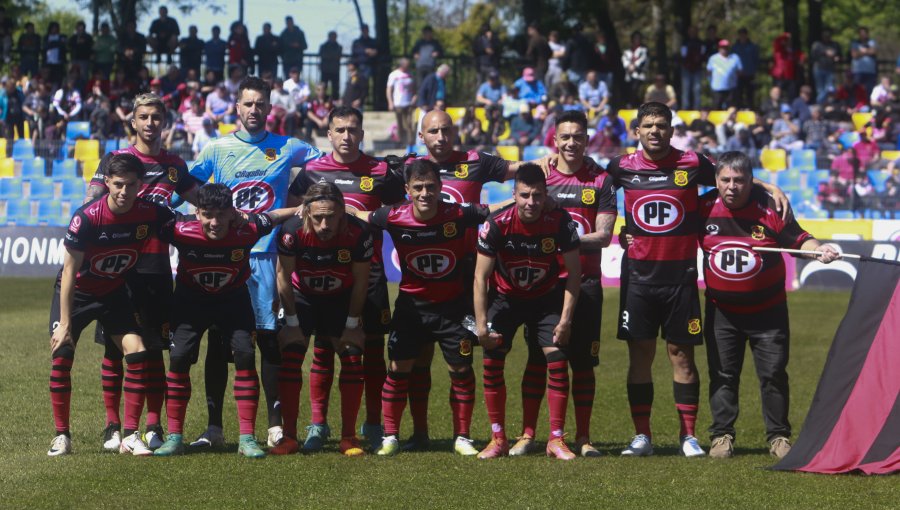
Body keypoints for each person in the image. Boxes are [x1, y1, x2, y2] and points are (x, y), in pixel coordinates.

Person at [604, 102, 788, 458]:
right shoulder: (621, 167)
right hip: (639, 279)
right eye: (648, 125)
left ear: (671, 131)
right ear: (636, 131)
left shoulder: (691, 163)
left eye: (661, 125)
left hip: (681, 278)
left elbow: (729, 174)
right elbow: (592, 187)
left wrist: (767, 185)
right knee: (639, 356)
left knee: (682, 356)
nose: (654, 131)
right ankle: (642, 436)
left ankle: (688, 436)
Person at [190, 76, 321, 450]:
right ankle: (214, 427)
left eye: (260, 103)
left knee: (268, 340)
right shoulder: (217, 148)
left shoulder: (288, 146)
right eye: (247, 104)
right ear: (237, 107)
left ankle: (275, 424)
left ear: (269, 107)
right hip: (226, 256)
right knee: (219, 341)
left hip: (268, 257)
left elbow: (327, 165)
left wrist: (302, 204)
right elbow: (189, 186)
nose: (254, 110)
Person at [348, 160, 501, 456]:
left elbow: (494, 210)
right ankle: (391, 435)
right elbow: (361, 214)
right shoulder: (393, 216)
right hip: (411, 308)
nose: (424, 193)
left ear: (441, 189)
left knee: (460, 369)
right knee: (398, 369)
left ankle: (463, 436)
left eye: (431, 187)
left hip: (453, 308)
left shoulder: (457, 214)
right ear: (407, 190)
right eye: (418, 187)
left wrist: (530, 198)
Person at [699, 151, 839, 459]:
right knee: (722, 374)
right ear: (716, 181)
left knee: (774, 374)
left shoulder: (771, 208)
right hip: (722, 312)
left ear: (751, 182)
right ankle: (721, 435)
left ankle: (779, 437)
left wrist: (820, 249)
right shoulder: (703, 207)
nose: (732, 187)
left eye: (739, 180)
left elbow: (800, 240)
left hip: (768, 312)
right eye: (725, 180)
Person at [84, 93, 203, 451]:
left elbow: (204, 202)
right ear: (133, 122)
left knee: (153, 348)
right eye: (144, 117)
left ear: (164, 122)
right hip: (117, 269)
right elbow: (91, 203)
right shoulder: (116, 160)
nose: (150, 123)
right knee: (113, 349)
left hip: (155, 268)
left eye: (156, 117)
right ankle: (113, 425)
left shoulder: (175, 167)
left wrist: (231, 211)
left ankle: (152, 426)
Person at [149, 183, 299, 458]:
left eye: (221, 214)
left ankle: (246, 439)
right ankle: (174, 437)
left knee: (244, 355)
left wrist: (300, 209)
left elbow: (275, 215)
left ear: (233, 212)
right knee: (179, 358)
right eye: (207, 214)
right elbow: (150, 213)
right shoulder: (178, 229)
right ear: (197, 213)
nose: (215, 222)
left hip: (233, 301)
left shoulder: (249, 228)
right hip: (189, 302)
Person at [288, 105, 405, 452]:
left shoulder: (381, 171)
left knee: (370, 349)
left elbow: (399, 214)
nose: (346, 136)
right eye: (340, 130)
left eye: (353, 130)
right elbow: (296, 211)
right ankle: (318, 424)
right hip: (324, 270)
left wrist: (365, 217)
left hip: (367, 272)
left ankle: (372, 423)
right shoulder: (311, 172)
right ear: (329, 134)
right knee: (323, 348)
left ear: (362, 134)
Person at [47, 152, 176, 456]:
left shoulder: (150, 213)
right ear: (106, 183)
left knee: (139, 350)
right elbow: (68, 272)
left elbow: (186, 223)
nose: (123, 192)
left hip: (113, 292)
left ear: (139, 185)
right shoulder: (87, 217)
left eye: (131, 185)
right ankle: (62, 436)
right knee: (62, 353)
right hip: (77, 294)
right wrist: (65, 323)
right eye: (117, 184)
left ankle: (130, 435)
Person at [508, 111, 616, 458]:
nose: (571, 143)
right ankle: (528, 434)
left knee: (583, 363)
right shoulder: (542, 174)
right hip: (545, 285)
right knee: (538, 360)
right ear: (555, 139)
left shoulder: (600, 180)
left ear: (587, 139)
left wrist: (562, 239)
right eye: (565, 137)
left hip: (585, 283)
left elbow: (602, 237)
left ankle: (583, 437)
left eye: (578, 137)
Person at [473, 164, 582, 460]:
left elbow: (574, 274)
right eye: (524, 195)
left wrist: (566, 320)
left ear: (546, 195)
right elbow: (480, 277)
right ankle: (498, 439)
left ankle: (556, 440)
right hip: (505, 299)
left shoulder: (559, 221)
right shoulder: (497, 223)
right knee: (493, 359)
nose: (531, 202)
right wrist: (481, 326)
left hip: (545, 298)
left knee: (557, 357)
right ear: (514, 194)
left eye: (537, 195)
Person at [272, 183, 373, 456]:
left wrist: (352, 325)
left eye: (331, 216)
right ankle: (290, 437)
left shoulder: (359, 232)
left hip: (340, 297)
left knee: (352, 355)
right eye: (318, 218)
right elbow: (282, 277)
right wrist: (292, 323)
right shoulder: (291, 232)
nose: (325, 224)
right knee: (291, 353)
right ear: (306, 213)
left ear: (343, 212)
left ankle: (348, 438)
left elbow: (362, 282)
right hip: (303, 298)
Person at [387, 58, 416, 148]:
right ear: (401, 65)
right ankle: (401, 141)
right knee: (400, 124)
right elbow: (389, 89)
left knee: (409, 123)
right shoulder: (394, 75)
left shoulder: (411, 74)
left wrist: (415, 97)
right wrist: (390, 102)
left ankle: (410, 142)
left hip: (409, 102)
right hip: (398, 102)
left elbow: (415, 87)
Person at [707, 40, 742, 109]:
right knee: (716, 107)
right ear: (719, 48)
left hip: (731, 88)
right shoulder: (713, 58)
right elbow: (709, 72)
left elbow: (739, 71)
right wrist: (710, 82)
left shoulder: (735, 58)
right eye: (722, 47)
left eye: (726, 47)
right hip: (717, 88)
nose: (724, 49)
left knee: (731, 108)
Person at [811, 28, 842, 104]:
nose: (826, 37)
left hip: (830, 70)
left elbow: (840, 55)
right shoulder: (817, 45)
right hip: (819, 69)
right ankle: (820, 104)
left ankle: (823, 103)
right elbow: (813, 55)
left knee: (829, 88)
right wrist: (825, 52)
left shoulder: (834, 45)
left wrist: (837, 58)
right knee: (820, 89)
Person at [731, 28, 759, 109]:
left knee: (750, 93)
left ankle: (750, 108)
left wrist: (754, 70)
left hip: (749, 74)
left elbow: (756, 59)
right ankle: (739, 108)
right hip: (738, 75)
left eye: (744, 34)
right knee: (738, 93)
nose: (742, 36)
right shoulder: (735, 47)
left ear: (746, 35)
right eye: (741, 34)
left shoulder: (752, 47)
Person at [680, 26, 704, 110]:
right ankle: (685, 108)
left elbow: (702, 55)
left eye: (694, 31)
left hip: (697, 69)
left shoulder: (700, 42)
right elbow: (683, 55)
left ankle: (697, 108)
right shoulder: (685, 42)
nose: (693, 33)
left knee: (697, 89)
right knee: (686, 90)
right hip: (686, 69)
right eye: (691, 31)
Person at [622, 31, 648, 108]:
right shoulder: (627, 51)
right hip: (629, 75)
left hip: (639, 75)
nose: (637, 40)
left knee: (637, 91)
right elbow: (624, 60)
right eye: (635, 38)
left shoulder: (644, 50)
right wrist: (628, 66)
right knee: (628, 92)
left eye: (638, 38)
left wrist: (634, 66)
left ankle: (638, 107)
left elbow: (643, 60)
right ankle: (629, 106)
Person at [850, 27, 878, 95]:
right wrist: (866, 51)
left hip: (870, 71)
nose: (863, 35)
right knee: (857, 90)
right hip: (858, 71)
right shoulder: (855, 43)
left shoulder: (872, 42)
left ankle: (868, 104)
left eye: (864, 33)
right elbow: (854, 55)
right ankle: (858, 104)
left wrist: (861, 52)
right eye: (861, 33)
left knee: (870, 90)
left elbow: (874, 52)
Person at [319, 31, 342, 98]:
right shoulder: (323, 46)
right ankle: (323, 102)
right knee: (323, 88)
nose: (333, 38)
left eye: (334, 37)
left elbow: (338, 55)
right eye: (331, 36)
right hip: (325, 70)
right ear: (328, 37)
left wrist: (329, 55)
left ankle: (335, 103)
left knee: (335, 89)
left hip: (335, 70)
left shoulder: (339, 47)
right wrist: (332, 56)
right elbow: (322, 55)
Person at [43, 22, 67, 86]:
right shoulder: (46, 37)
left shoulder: (61, 36)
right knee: (48, 80)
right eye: (53, 28)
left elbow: (63, 45)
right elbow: (46, 46)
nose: (54, 29)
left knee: (58, 80)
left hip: (58, 62)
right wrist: (57, 43)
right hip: (48, 62)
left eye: (55, 28)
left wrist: (52, 43)